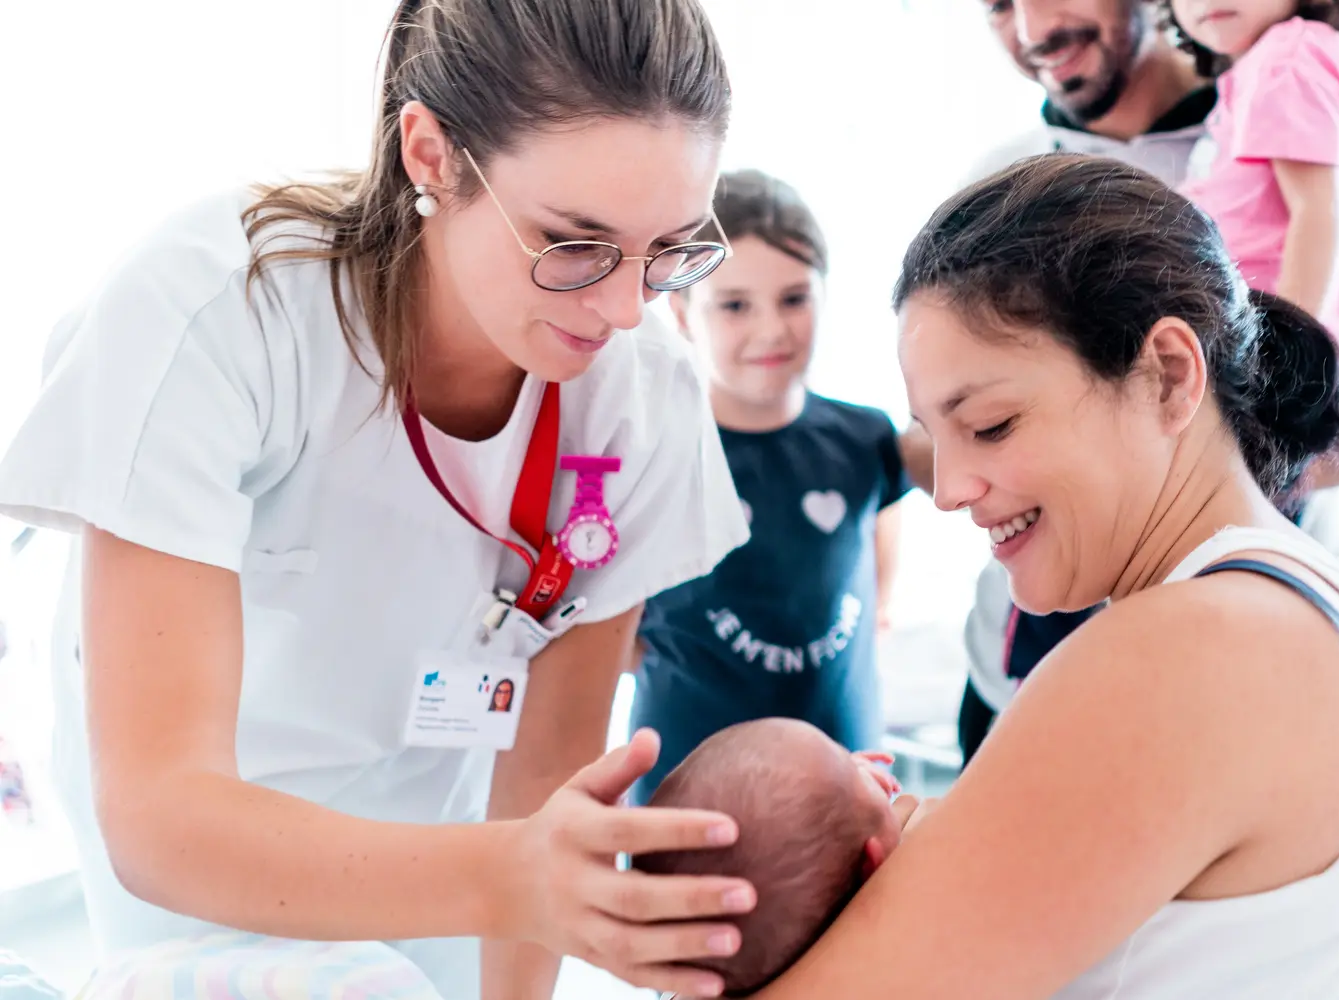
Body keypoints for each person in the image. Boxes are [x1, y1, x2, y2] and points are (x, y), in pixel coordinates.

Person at [0, 2, 769, 998]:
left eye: (669, 249)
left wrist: (514, 915)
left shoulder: (641, 397)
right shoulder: (216, 313)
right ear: (432, 153)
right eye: (573, 243)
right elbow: (160, 813)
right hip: (207, 861)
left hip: (444, 860)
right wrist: (511, 878)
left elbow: (542, 782)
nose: (623, 309)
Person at [743, 153, 1339, 999]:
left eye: (990, 425)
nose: (948, 488)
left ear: (1169, 375)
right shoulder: (1308, 608)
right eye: (935, 435)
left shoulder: (1191, 653)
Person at [952, 0, 1339, 761]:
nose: (1031, 29)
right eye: (998, 4)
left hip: (1254, 658)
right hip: (1028, 677)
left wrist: (1197, 498)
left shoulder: (1302, 109)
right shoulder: (1001, 185)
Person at [633, 170, 913, 804]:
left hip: (849, 770)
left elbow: (876, 567)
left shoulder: (866, 437)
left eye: (794, 299)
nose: (771, 330)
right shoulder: (655, 451)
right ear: (681, 312)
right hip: (690, 775)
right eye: (734, 305)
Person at [1166, 0, 1339, 377]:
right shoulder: (1301, 54)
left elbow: (1317, 212)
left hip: (1274, 348)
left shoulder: (1287, 61)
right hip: (1269, 329)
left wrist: (1287, 353)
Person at [632, 719, 902, 997]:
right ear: (870, 863)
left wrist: (847, 787)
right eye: (856, 772)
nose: (863, 767)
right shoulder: (894, 966)